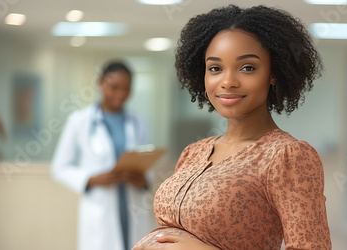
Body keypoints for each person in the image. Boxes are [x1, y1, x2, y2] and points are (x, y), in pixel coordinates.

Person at [133, 5, 331, 250]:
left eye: (247, 67)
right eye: (215, 68)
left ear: (274, 73)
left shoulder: (287, 157)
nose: (228, 82)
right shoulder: (193, 152)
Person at [51, 61, 153, 250]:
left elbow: (147, 163)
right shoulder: (79, 121)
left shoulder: (137, 121)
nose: (120, 94)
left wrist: (144, 180)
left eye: (126, 89)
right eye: (114, 87)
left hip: (133, 205)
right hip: (100, 208)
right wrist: (91, 179)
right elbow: (59, 167)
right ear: (100, 83)